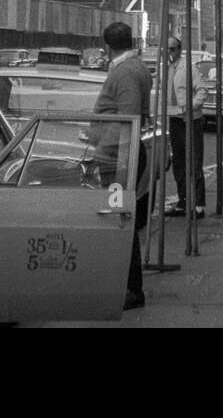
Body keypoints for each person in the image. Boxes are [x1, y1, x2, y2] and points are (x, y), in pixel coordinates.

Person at [92, 21, 152, 311]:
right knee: (118, 218)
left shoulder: (126, 71)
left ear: (108, 46)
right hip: (119, 152)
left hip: (118, 155)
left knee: (119, 219)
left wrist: (117, 159)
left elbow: (128, 120)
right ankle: (123, 283)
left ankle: (131, 288)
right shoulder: (133, 66)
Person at [164, 36, 207, 220]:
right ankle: (183, 202)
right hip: (174, 120)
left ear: (179, 50)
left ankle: (198, 205)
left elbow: (202, 91)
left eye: (172, 49)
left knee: (194, 162)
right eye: (166, 50)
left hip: (191, 120)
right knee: (179, 163)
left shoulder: (189, 68)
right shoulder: (164, 69)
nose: (169, 53)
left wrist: (188, 107)